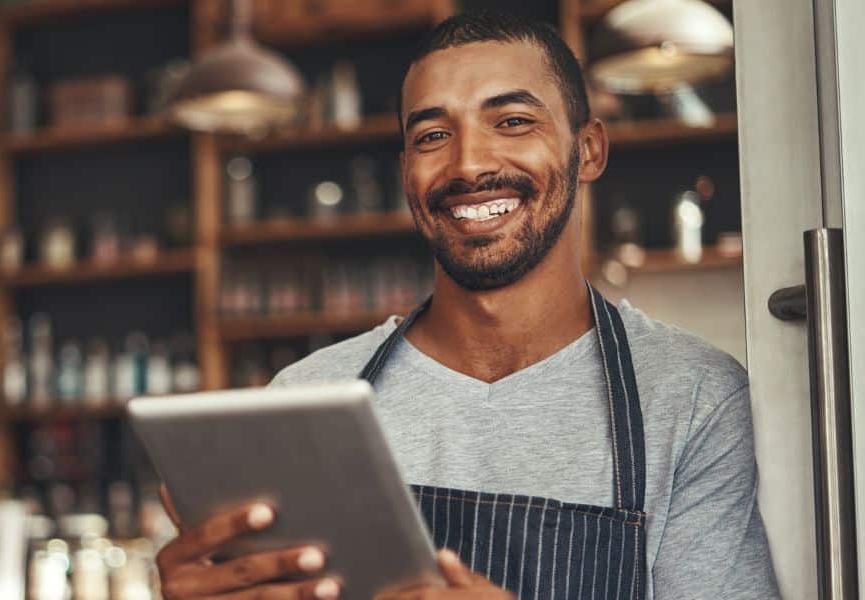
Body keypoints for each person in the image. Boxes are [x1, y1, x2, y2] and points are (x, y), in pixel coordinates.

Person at [154, 10, 780, 600]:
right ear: (406, 171)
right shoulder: (302, 399)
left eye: (512, 121)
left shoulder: (692, 398)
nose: (468, 163)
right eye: (432, 134)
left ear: (588, 150)